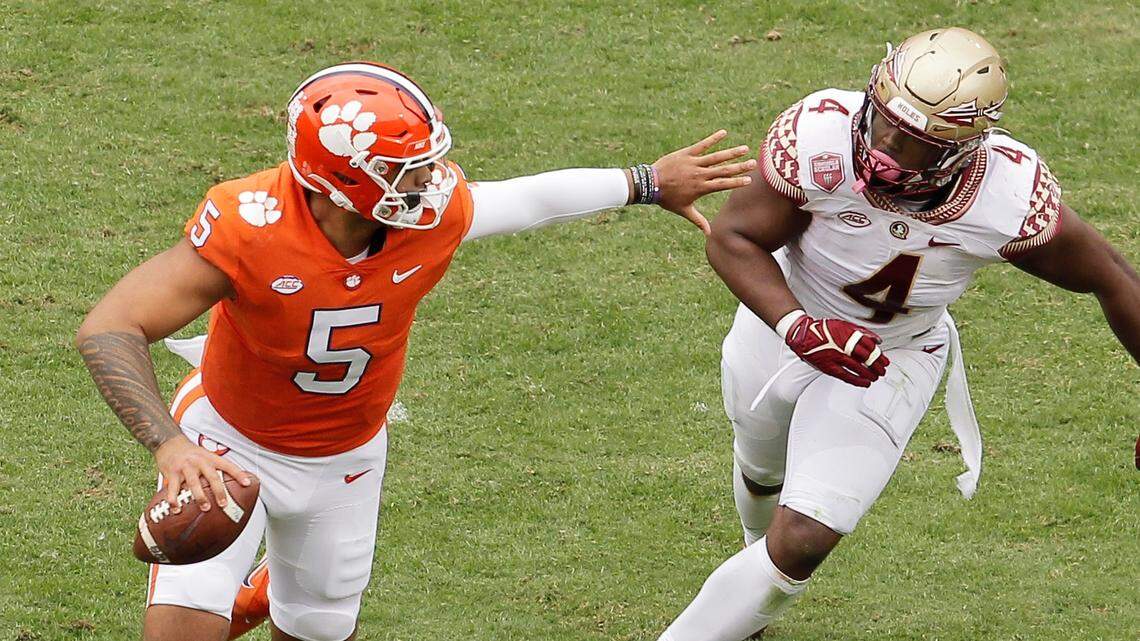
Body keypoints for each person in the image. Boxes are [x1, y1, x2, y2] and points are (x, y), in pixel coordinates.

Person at [75, 61, 756, 641]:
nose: (429, 180)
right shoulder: (248, 224)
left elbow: (527, 199)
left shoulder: (433, 216)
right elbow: (111, 326)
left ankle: (264, 588)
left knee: (312, 625)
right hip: (227, 440)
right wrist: (170, 446)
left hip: (345, 458)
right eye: (405, 170)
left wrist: (646, 180)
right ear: (342, 180)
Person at [654, 27, 1140, 641]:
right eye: (882, 125)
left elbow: (1116, 279)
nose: (884, 150)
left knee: (804, 536)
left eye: (913, 145)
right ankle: (749, 582)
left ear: (963, 149)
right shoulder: (820, 136)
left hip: (892, 355)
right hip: (780, 321)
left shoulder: (1007, 197)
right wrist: (798, 326)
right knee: (758, 465)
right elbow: (734, 238)